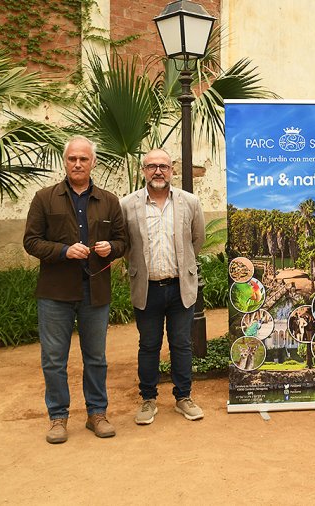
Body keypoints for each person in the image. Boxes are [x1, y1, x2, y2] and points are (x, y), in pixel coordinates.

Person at [23, 136, 127, 444]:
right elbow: (31, 241)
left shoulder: (108, 200)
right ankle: (58, 417)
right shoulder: (45, 198)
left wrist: (112, 248)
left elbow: (123, 241)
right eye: (72, 159)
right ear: (65, 162)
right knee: (54, 358)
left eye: (83, 159)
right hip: (55, 292)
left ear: (93, 163)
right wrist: (63, 251)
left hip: (95, 290)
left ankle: (97, 413)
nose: (78, 164)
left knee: (95, 356)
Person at [121, 148, 205, 425]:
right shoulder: (128, 205)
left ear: (172, 170)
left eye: (164, 166)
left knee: (182, 344)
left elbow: (197, 240)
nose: (158, 171)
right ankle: (148, 400)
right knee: (148, 345)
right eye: (151, 166)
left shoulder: (190, 202)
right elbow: (126, 245)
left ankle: (184, 397)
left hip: (181, 287)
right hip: (147, 288)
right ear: (144, 170)